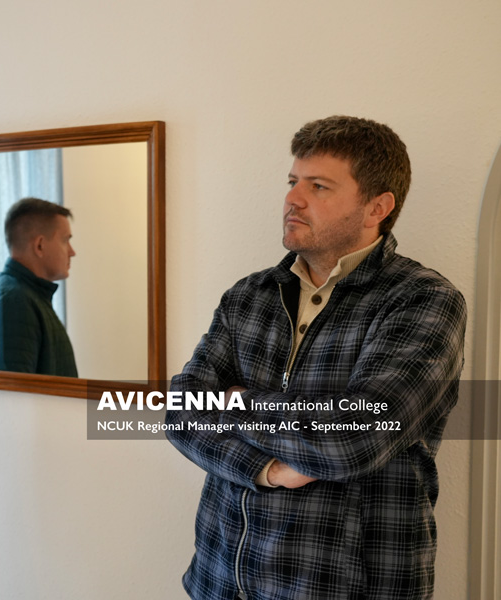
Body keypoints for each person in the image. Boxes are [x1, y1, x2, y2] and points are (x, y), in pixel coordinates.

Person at [166, 116, 466, 600]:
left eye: (318, 186)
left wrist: (236, 401)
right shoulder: (249, 295)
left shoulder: (421, 300)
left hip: (341, 586)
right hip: (221, 580)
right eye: (292, 182)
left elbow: (353, 439)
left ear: (378, 207)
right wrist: (268, 470)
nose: (293, 198)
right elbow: (180, 411)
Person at [0, 197, 78, 376]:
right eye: (65, 240)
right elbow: (14, 390)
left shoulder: (27, 297)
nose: (72, 252)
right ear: (40, 245)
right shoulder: (15, 301)